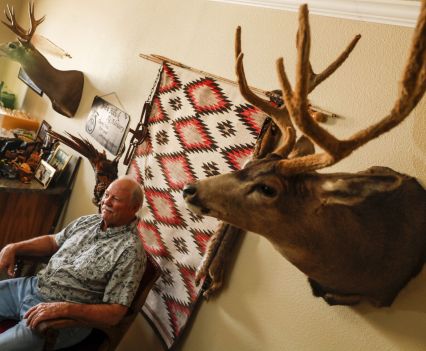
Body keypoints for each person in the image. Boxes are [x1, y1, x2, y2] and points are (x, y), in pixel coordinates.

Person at [0, 176, 146, 351]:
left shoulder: (130, 251)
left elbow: (115, 313)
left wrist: (64, 309)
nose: (106, 201)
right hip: (33, 287)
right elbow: (53, 242)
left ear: (134, 207)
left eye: (115, 199)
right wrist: (14, 247)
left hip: (61, 319)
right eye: (106, 195)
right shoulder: (88, 221)